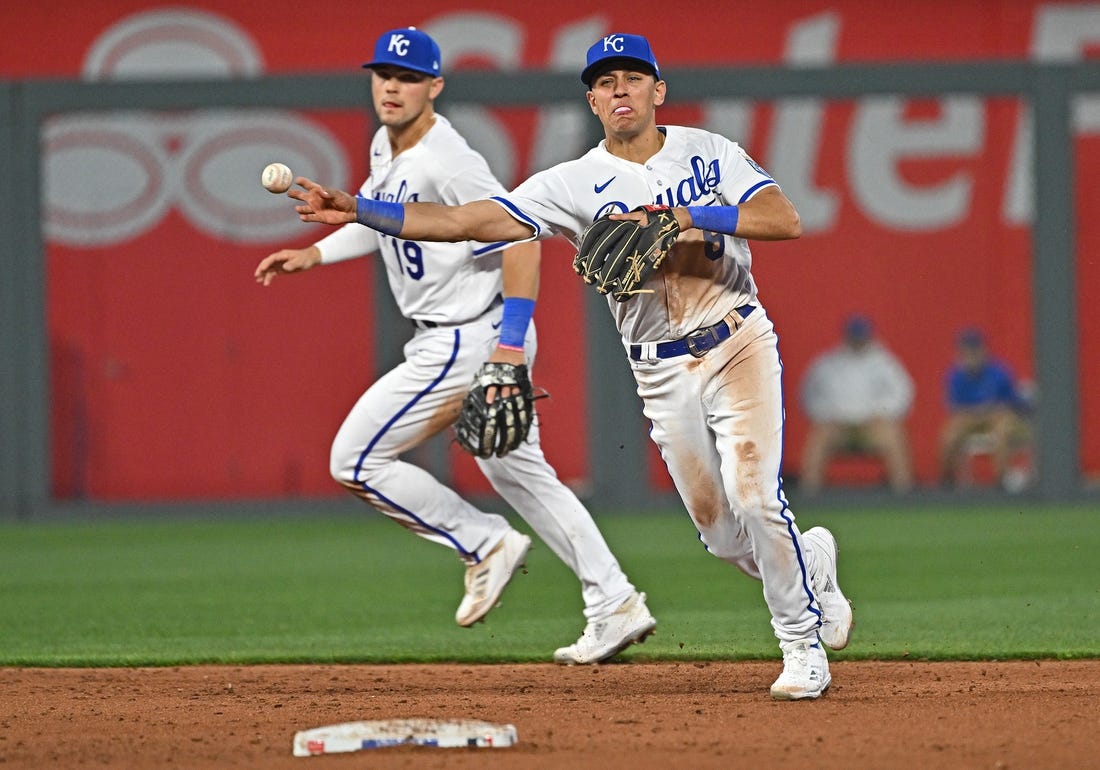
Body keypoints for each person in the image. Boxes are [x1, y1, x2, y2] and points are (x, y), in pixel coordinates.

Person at [289, 32, 853, 700]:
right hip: (659, 369)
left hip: (736, 339)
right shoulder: (572, 182)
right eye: (606, 82)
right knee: (725, 536)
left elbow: (782, 218)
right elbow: (469, 220)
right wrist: (360, 210)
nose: (621, 90)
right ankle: (810, 561)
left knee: (757, 498)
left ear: (657, 90)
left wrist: (686, 216)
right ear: (592, 99)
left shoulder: (707, 151)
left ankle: (800, 646)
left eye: (633, 78)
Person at [255, 27, 656, 665]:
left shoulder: (449, 160)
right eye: (384, 73)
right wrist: (317, 253)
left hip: (470, 338)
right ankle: (614, 601)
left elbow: (521, 239)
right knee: (524, 477)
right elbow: (388, 224)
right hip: (463, 337)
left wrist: (507, 348)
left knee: (355, 461)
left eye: (409, 77)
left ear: (434, 87)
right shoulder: (387, 147)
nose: (392, 85)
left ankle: (483, 542)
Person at [799, 315, 915, 495]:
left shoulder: (885, 363)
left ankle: (904, 495)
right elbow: (809, 393)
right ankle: (810, 494)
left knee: (894, 436)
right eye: (854, 335)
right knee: (819, 438)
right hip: (838, 427)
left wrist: (884, 414)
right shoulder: (828, 363)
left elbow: (902, 393)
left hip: (872, 427)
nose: (857, 340)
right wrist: (824, 415)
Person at [939, 328, 1032, 489]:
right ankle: (947, 482)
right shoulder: (955, 375)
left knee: (1002, 429)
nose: (971, 354)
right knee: (950, 434)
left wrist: (989, 413)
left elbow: (1010, 405)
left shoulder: (999, 372)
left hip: (1001, 420)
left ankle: (1000, 482)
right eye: (966, 350)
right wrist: (978, 414)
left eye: (974, 349)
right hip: (971, 420)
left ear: (983, 350)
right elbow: (955, 409)